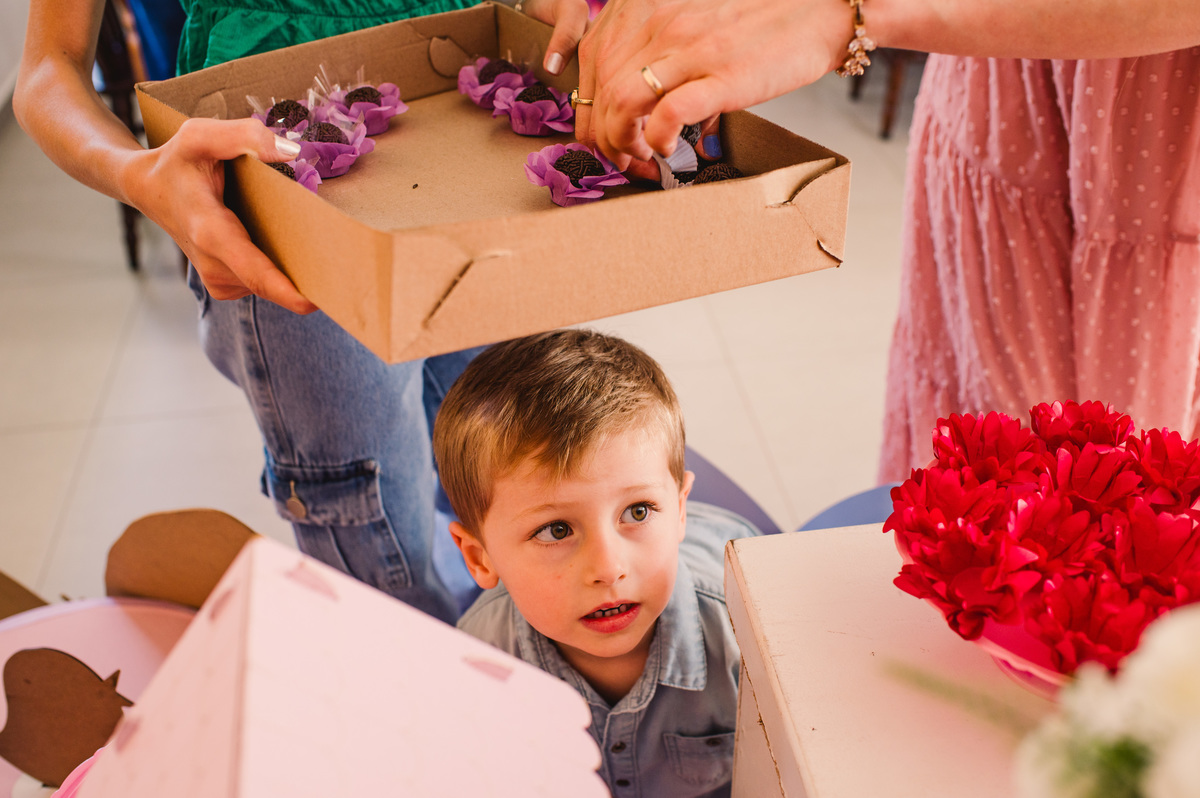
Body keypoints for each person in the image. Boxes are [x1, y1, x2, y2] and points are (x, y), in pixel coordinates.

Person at [14, 0, 589, 623]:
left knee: (531, 485)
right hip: (279, 211)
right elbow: (49, 69)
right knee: (379, 561)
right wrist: (136, 173)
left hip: (480, 150)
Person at [571, 0, 1200, 482]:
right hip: (1000, 94)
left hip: (1161, 144)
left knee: (1111, 506)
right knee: (978, 467)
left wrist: (844, 13)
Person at [432, 329, 762, 798]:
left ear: (682, 510)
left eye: (638, 511)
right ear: (479, 558)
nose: (609, 568)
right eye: (556, 530)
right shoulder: (478, 663)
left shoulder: (748, 637)